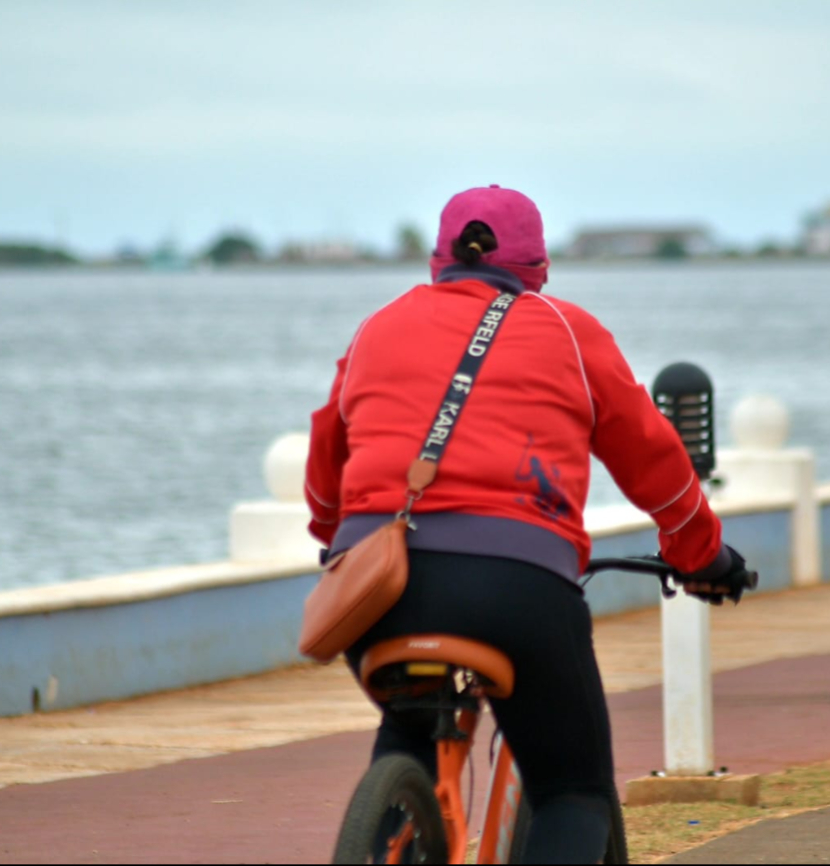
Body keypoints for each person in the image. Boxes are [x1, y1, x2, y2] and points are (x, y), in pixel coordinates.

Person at [305, 184, 754, 863]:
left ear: (438, 258)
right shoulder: (569, 330)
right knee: (572, 788)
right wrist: (702, 556)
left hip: (378, 583)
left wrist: (332, 539)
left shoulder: (377, 326)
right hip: (516, 590)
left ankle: (396, 813)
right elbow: (654, 462)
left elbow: (324, 460)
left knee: (408, 736)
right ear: (537, 266)